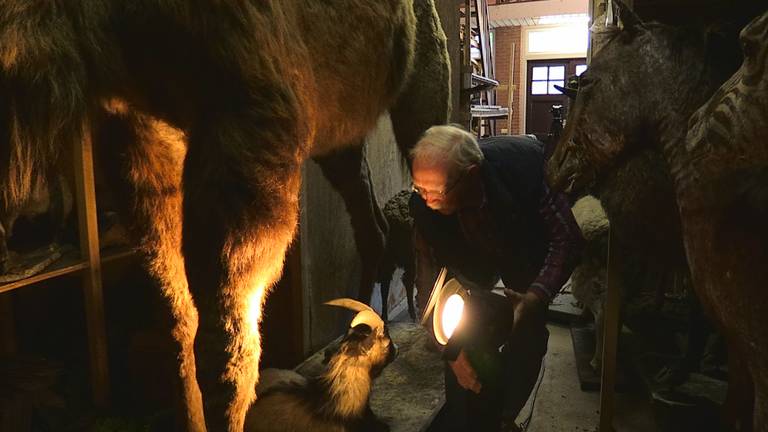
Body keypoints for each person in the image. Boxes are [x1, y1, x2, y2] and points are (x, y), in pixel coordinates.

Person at [410, 125, 583, 431]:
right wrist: (451, 352)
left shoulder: (525, 170)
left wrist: (536, 296)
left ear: (472, 174)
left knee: (527, 332)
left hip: (524, 254)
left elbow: (567, 240)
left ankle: (506, 419)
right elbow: (427, 284)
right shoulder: (424, 207)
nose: (426, 199)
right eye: (418, 188)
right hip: (475, 268)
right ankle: (471, 421)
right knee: (465, 338)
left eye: (435, 191)